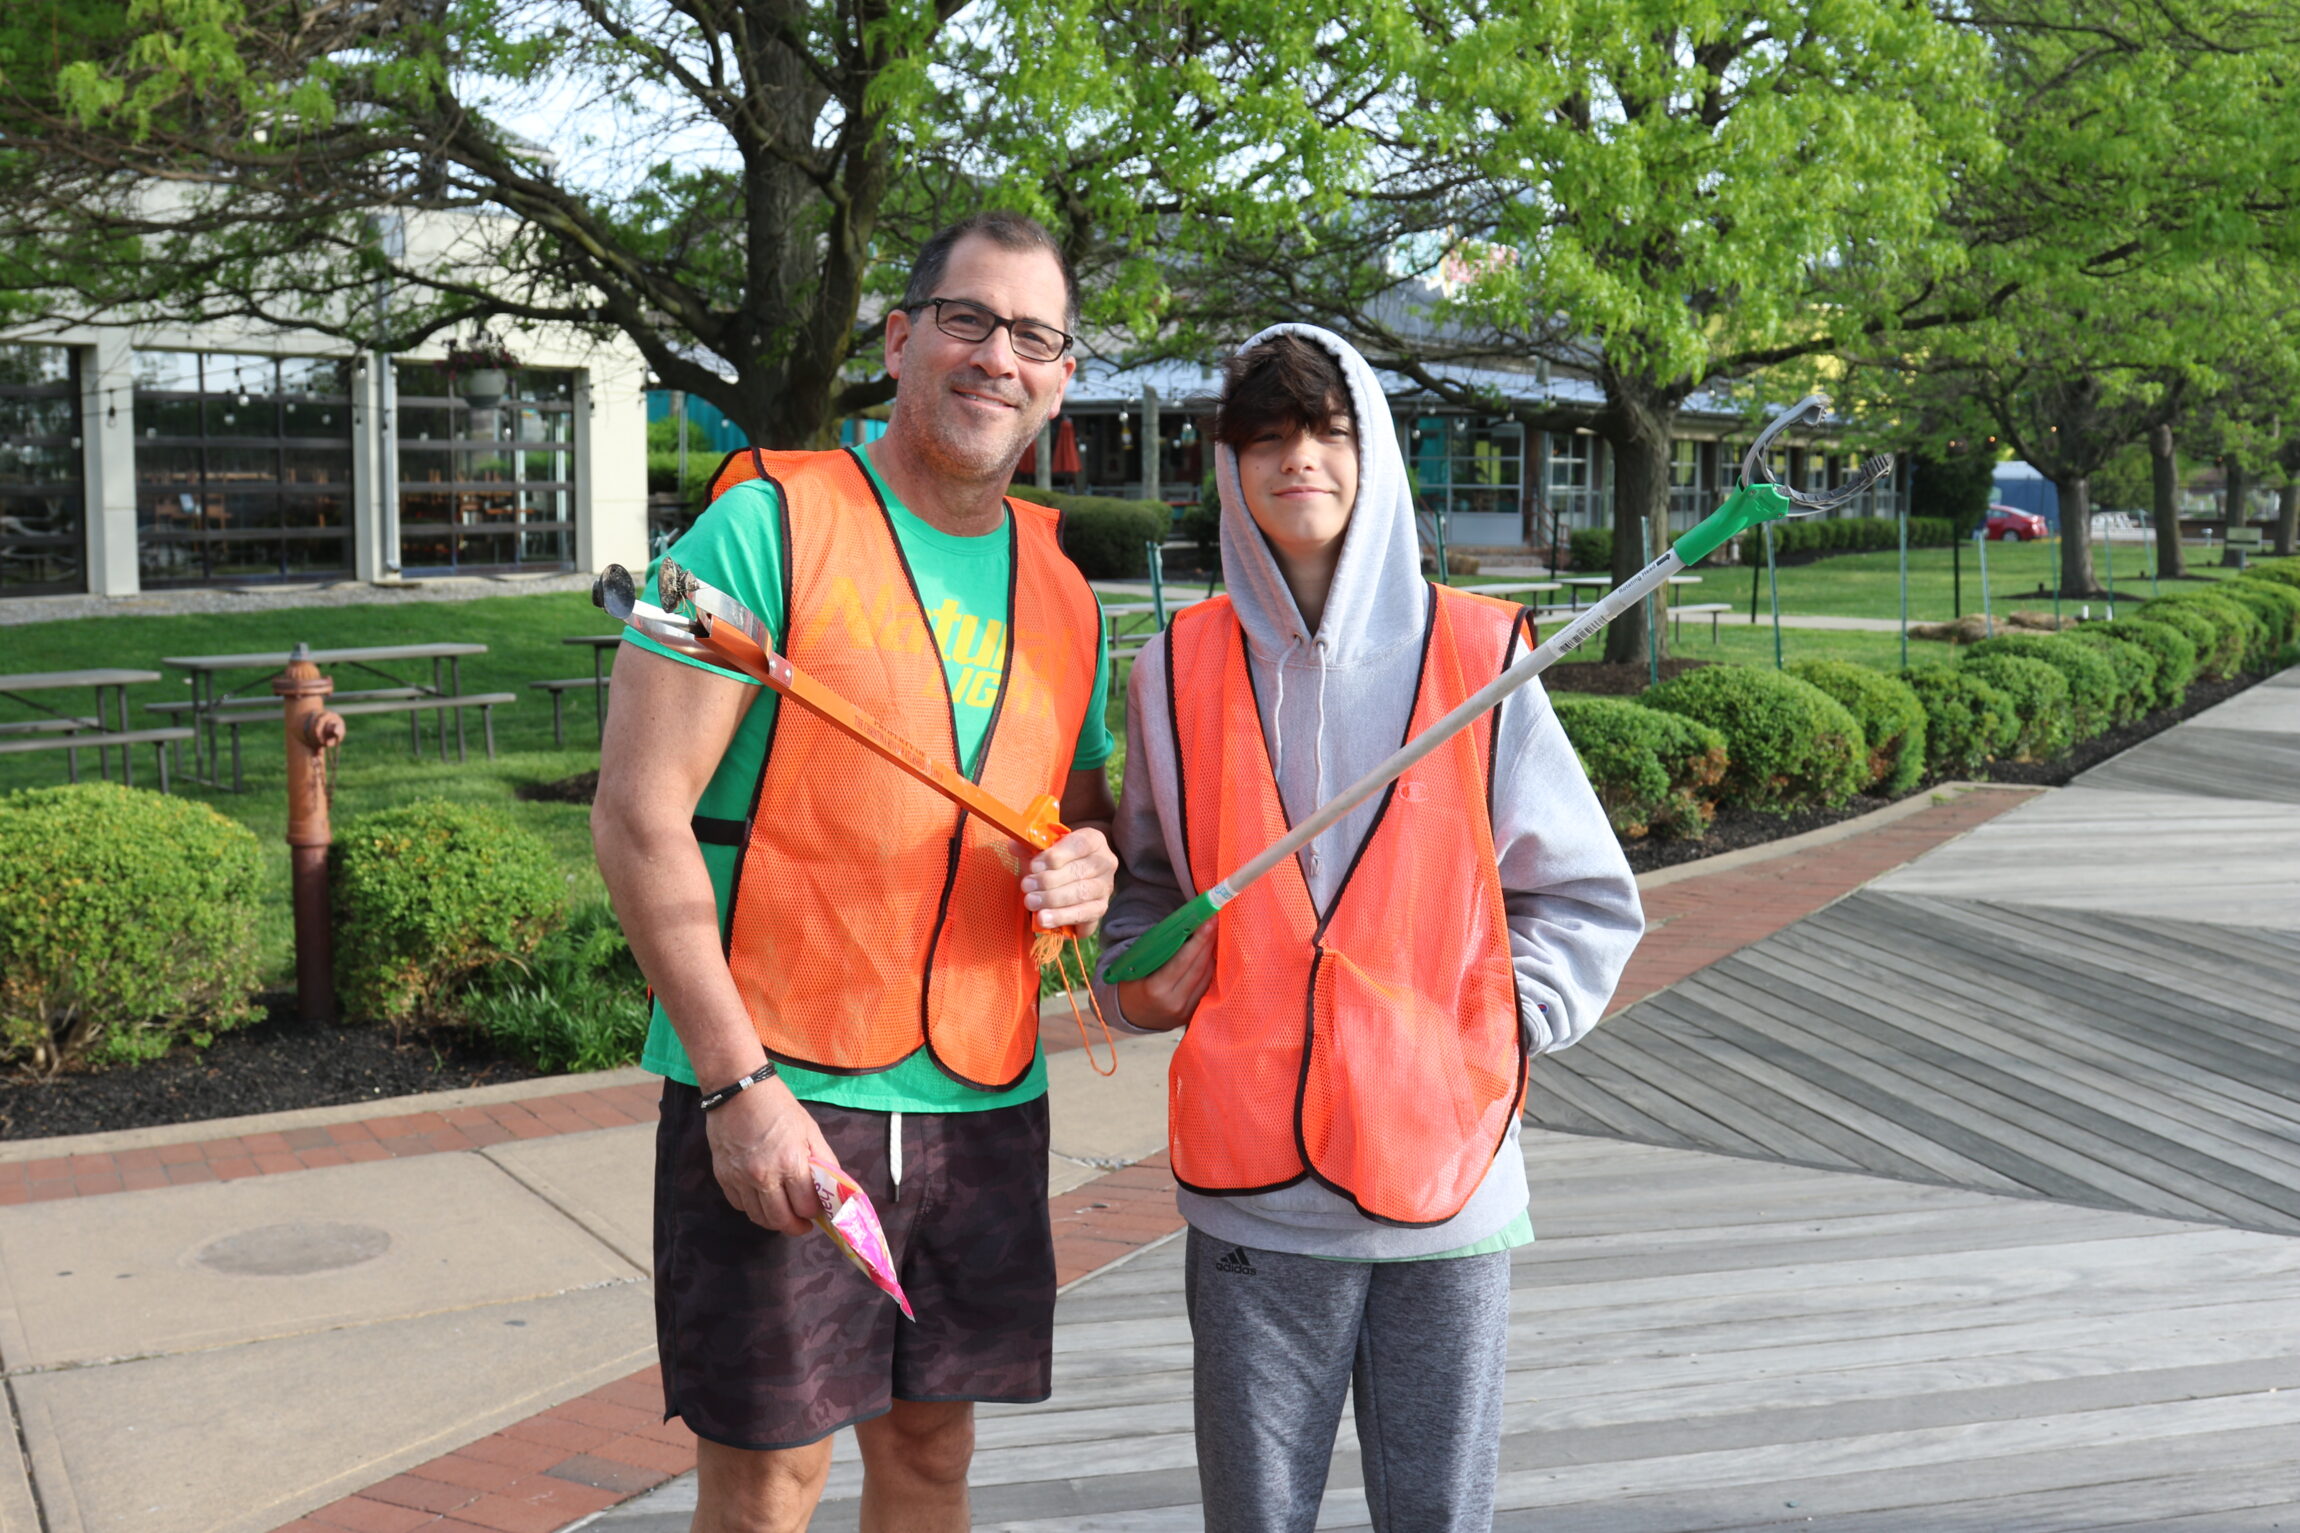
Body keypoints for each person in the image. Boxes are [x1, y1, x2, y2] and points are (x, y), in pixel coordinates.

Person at [592, 211, 1119, 1533]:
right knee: (767, 1482)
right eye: (967, 319)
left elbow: (1078, 819)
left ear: (1061, 379)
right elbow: (637, 818)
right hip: (783, 1084)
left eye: (1034, 336)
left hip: (984, 1096)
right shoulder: (753, 530)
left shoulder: (1067, 592)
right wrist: (737, 1088)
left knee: (934, 1454)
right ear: (897, 339)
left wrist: (1090, 867)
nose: (998, 356)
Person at [1095, 326, 1644, 1532]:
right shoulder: (1170, 669)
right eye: (1265, 437)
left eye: (1327, 432)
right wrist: (1133, 981)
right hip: (1249, 1200)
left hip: (1446, 1181)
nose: (1298, 459)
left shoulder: (1482, 654)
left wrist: (1497, 1025)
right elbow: (1142, 890)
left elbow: (1583, 897)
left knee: (1436, 1515)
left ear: (1375, 451)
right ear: (1229, 465)